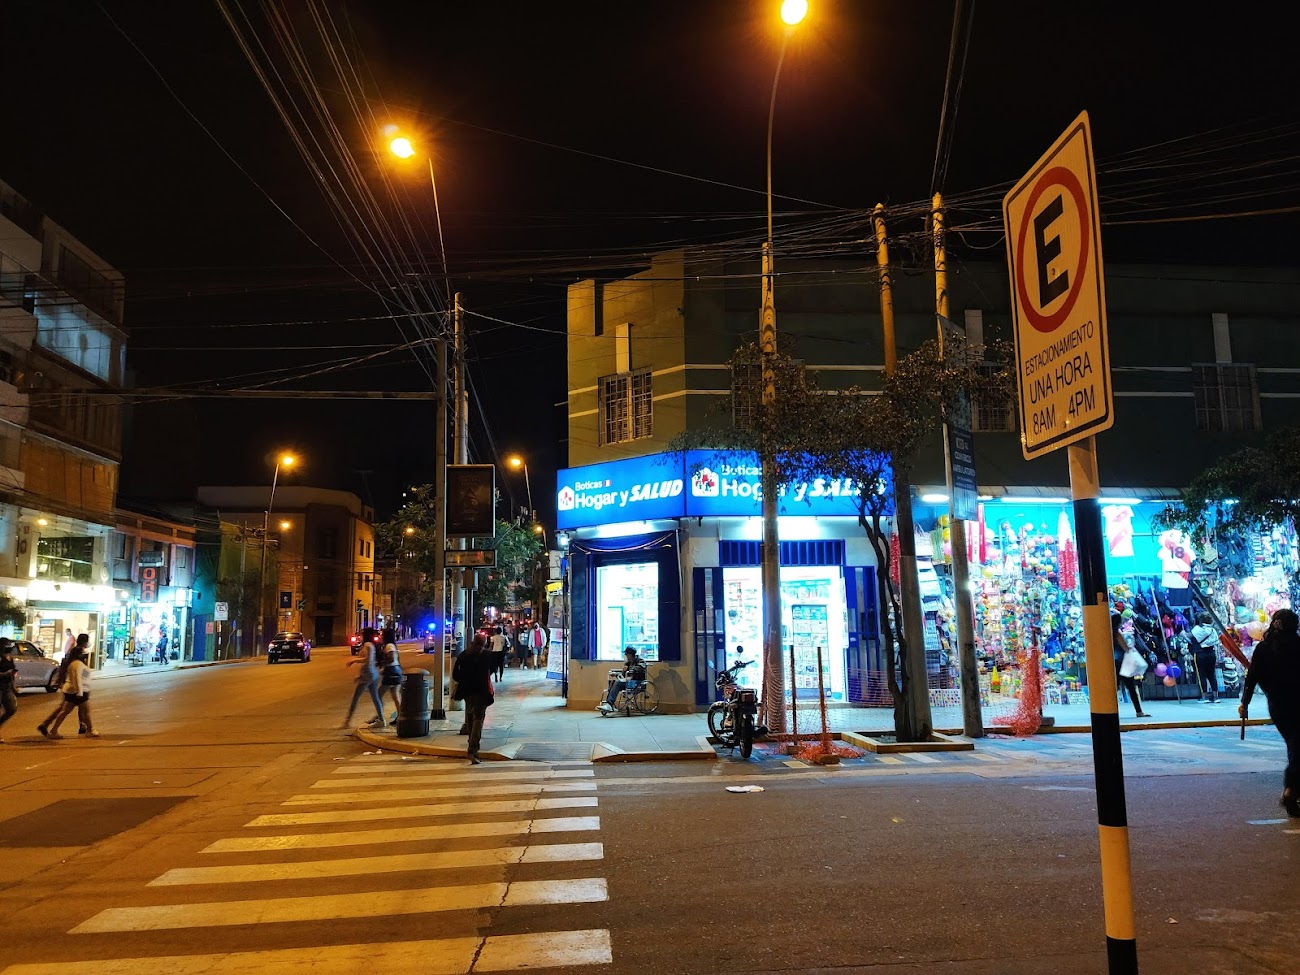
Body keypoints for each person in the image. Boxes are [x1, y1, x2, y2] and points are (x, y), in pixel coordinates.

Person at [1240, 607, 1300, 818]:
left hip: (1278, 705)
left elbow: (1252, 678)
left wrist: (1245, 703)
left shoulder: (1264, 648)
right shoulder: (1297, 645)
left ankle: (1293, 790)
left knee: (1295, 744)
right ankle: (1291, 789)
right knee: (1297, 746)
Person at [38, 637, 98, 739]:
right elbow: (76, 677)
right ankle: (87, 729)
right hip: (74, 689)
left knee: (67, 710)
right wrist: (79, 691)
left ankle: (83, 727)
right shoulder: (77, 662)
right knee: (70, 710)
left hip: (71, 688)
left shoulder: (72, 658)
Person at [452, 633, 494, 764]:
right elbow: (493, 669)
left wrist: (464, 678)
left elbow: (455, 675)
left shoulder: (464, 655)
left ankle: (471, 743)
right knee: (478, 719)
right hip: (482, 690)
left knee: (470, 716)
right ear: (485, 643)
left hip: (467, 691)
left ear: (472, 642)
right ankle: (473, 748)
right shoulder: (487, 655)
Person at [341, 627, 386, 729]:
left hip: (367, 675)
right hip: (372, 674)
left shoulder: (368, 645)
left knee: (356, 698)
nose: (360, 637)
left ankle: (347, 722)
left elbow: (367, 660)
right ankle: (381, 719)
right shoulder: (371, 645)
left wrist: (354, 661)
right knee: (375, 697)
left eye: (362, 634)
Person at [1113, 613, 1150, 718]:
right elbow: (1125, 647)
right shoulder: (1117, 633)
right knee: (1131, 687)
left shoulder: (1107, 633)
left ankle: (1110, 710)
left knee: (1114, 688)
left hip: (1113, 663)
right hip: (1123, 663)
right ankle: (1139, 711)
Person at [598, 646, 647, 713]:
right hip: (628, 681)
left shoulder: (640, 661)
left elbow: (640, 668)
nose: (625, 655)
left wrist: (629, 669)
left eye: (626, 654)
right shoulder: (627, 663)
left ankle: (609, 703)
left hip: (637, 682)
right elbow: (623, 675)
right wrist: (616, 674)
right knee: (612, 682)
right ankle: (610, 704)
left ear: (630, 654)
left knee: (618, 683)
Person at [375, 627, 403, 725]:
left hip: (391, 671)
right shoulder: (391, 645)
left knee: (378, 695)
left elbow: (391, 657)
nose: (381, 636)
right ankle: (400, 716)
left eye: (382, 635)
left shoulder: (389, 646)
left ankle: (379, 716)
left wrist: (383, 664)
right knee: (395, 696)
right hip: (396, 670)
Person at [1189, 612, 1219, 703]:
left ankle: (1204, 696)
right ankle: (1215, 696)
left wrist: (1182, 634)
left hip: (1200, 653)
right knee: (1212, 675)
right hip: (1211, 653)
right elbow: (1216, 642)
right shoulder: (1213, 630)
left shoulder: (1197, 629)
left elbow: (1189, 636)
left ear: (1201, 620)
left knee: (1201, 674)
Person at [0, 639, 17, 743]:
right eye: (6, 645)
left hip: (7, 687)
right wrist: (5, 674)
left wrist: (14, 686)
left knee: (11, 709)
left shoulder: (10, 657)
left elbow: (12, 673)